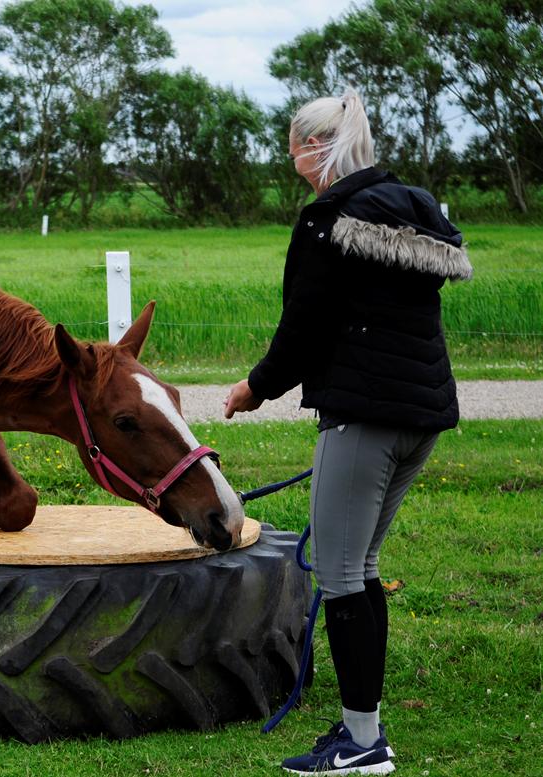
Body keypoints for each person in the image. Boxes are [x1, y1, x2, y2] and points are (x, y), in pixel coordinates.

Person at [224, 88, 471, 775]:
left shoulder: (328, 219)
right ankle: (364, 728)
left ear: (316, 146)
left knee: (339, 574)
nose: (291, 156)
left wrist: (255, 388)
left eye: (295, 143)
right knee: (359, 569)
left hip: (363, 418)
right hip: (422, 418)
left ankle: (363, 746)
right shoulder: (416, 209)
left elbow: (303, 327)